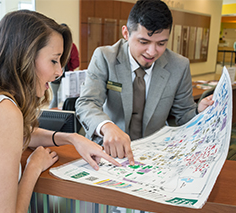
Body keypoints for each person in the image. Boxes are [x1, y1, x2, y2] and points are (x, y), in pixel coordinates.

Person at [0, 10, 120, 212]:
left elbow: (7, 137)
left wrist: (71, 138)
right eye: (54, 60)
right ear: (24, 57)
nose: (59, 71)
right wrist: (32, 168)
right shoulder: (1, 110)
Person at [76, 0, 214, 165]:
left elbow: (184, 116)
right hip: (109, 152)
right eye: (144, 42)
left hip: (155, 154)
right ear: (126, 33)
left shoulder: (179, 66)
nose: (152, 52)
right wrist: (106, 126)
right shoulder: (105, 57)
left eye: (161, 43)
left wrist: (199, 112)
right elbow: (87, 103)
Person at [49, 23, 80, 108]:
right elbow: (76, 62)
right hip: (67, 77)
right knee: (67, 98)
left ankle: (51, 116)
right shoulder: (72, 46)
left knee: (55, 97)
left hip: (55, 77)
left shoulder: (52, 46)